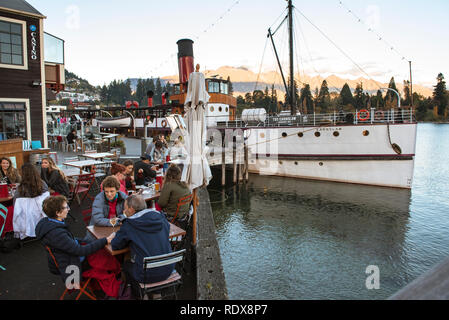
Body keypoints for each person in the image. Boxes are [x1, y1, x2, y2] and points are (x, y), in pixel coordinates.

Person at [36, 195, 115, 283]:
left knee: (97, 247)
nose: (69, 209)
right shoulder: (57, 234)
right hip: (72, 265)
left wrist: (95, 241)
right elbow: (81, 251)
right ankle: (115, 278)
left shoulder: (48, 222)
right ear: (58, 213)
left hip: (66, 258)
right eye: (66, 207)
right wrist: (105, 240)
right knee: (106, 257)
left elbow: (71, 240)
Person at [111, 195, 174, 297]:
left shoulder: (129, 224)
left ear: (131, 209)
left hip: (146, 275)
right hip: (168, 269)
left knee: (126, 265)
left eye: (125, 208)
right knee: (153, 257)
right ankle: (156, 293)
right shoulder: (161, 217)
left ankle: (140, 296)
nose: (123, 210)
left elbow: (116, 245)